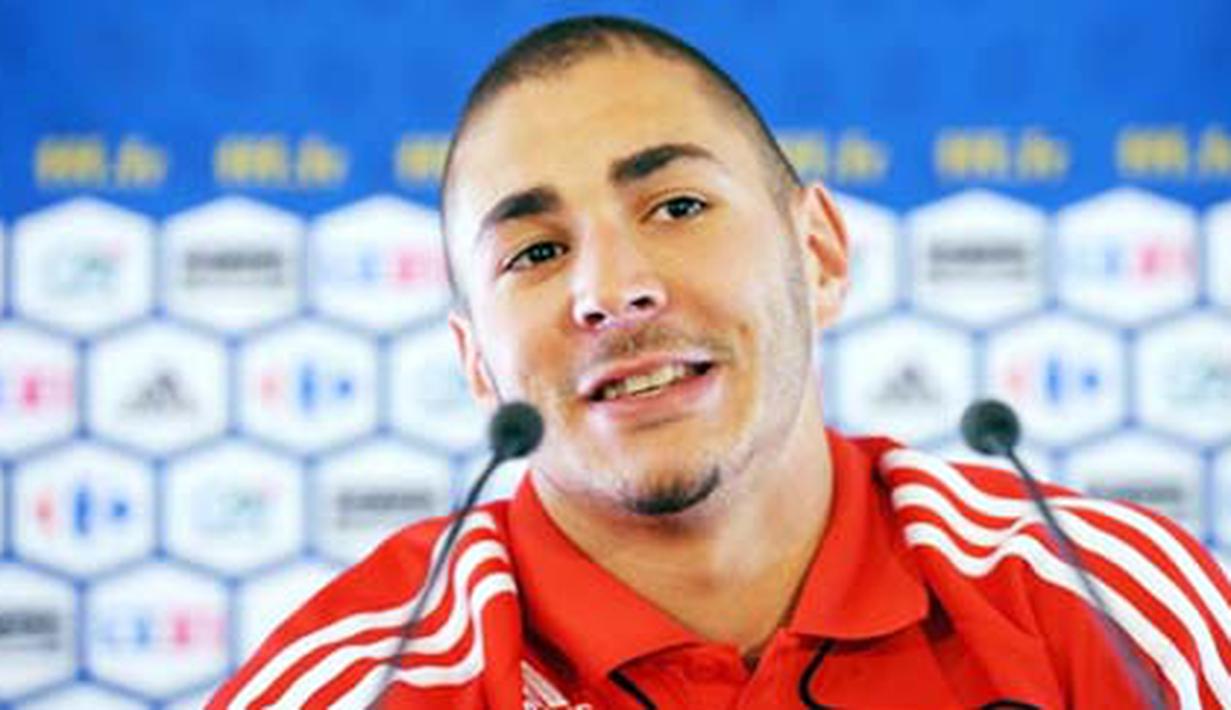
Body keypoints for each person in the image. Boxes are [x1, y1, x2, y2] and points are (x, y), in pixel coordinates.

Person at [209, 15, 1231, 709]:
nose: (610, 289)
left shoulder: (1102, 605)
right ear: (477, 362)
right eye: (534, 251)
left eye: (677, 206)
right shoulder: (364, 679)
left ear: (819, 253)